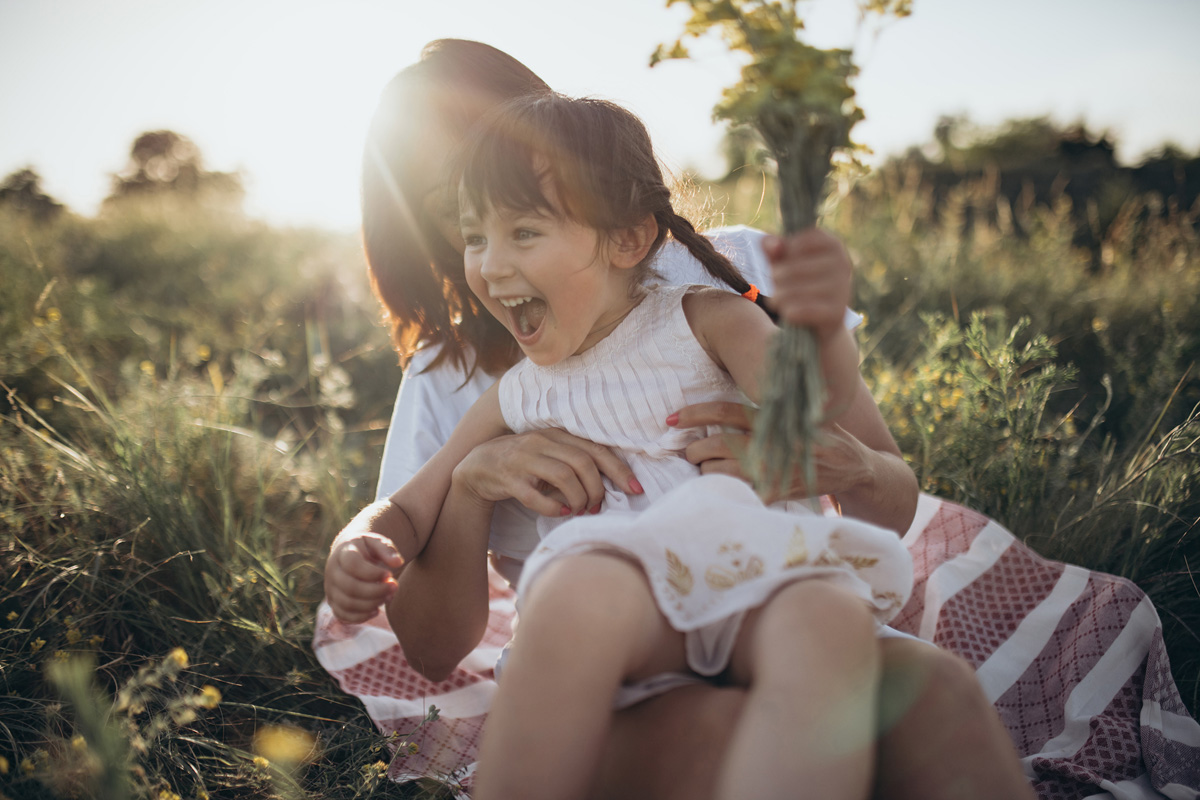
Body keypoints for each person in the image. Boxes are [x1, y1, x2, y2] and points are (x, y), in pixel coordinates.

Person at [318, 38, 1034, 800]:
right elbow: (416, 573)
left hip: (757, 584)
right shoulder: (481, 381)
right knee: (685, 699)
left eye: (523, 216)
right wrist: (449, 495)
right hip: (625, 648)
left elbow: (867, 474)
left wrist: (820, 417)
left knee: (938, 695)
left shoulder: (722, 296)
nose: (493, 258)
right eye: (467, 222)